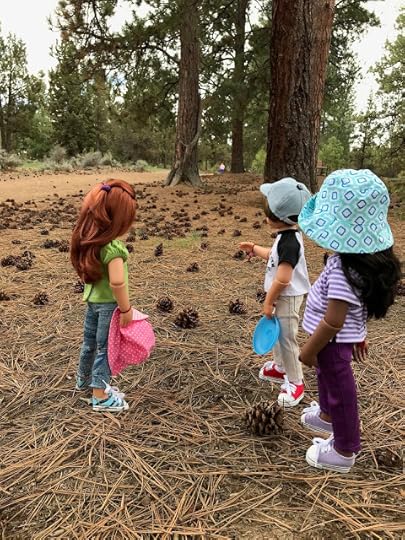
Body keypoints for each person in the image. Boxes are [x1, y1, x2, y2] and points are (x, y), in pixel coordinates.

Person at [298, 169, 401, 473]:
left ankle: (344, 449)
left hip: (330, 342)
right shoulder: (354, 262)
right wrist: (359, 334)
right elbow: (357, 309)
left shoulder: (345, 270)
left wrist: (309, 349)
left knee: (340, 389)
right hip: (334, 340)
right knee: (326, 378)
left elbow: (334, 321)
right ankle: (327, 416)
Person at [240, 177, 311, 407]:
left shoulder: (289, 243)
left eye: (268, 213)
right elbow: (274, 255)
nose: (265, 217)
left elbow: (283, 278)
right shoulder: (286, 236)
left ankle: (296, 382)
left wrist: (269, 301)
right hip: (282, 296)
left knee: (287, 338)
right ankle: (281, 368)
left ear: (278, 218)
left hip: (287, 298)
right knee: (279, 334)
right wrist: (255, 249)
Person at [70, 179, 137, 412]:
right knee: (106, 348)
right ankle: (100, 395)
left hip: (92, 302)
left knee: (89, 344)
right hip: (109, 305)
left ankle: (84, 380)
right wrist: (126, 309)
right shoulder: (113, 248)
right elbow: (117, 282)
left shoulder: (90, 243)